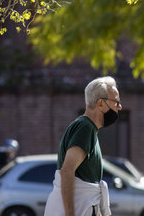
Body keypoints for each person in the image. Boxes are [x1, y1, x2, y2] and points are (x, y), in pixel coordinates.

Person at [44, 77, 122, 216]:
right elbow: (67, 171)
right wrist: (70, 213)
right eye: (116, 102)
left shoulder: (89, 129)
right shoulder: (85, 128)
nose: (119, 107)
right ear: (100, 103)